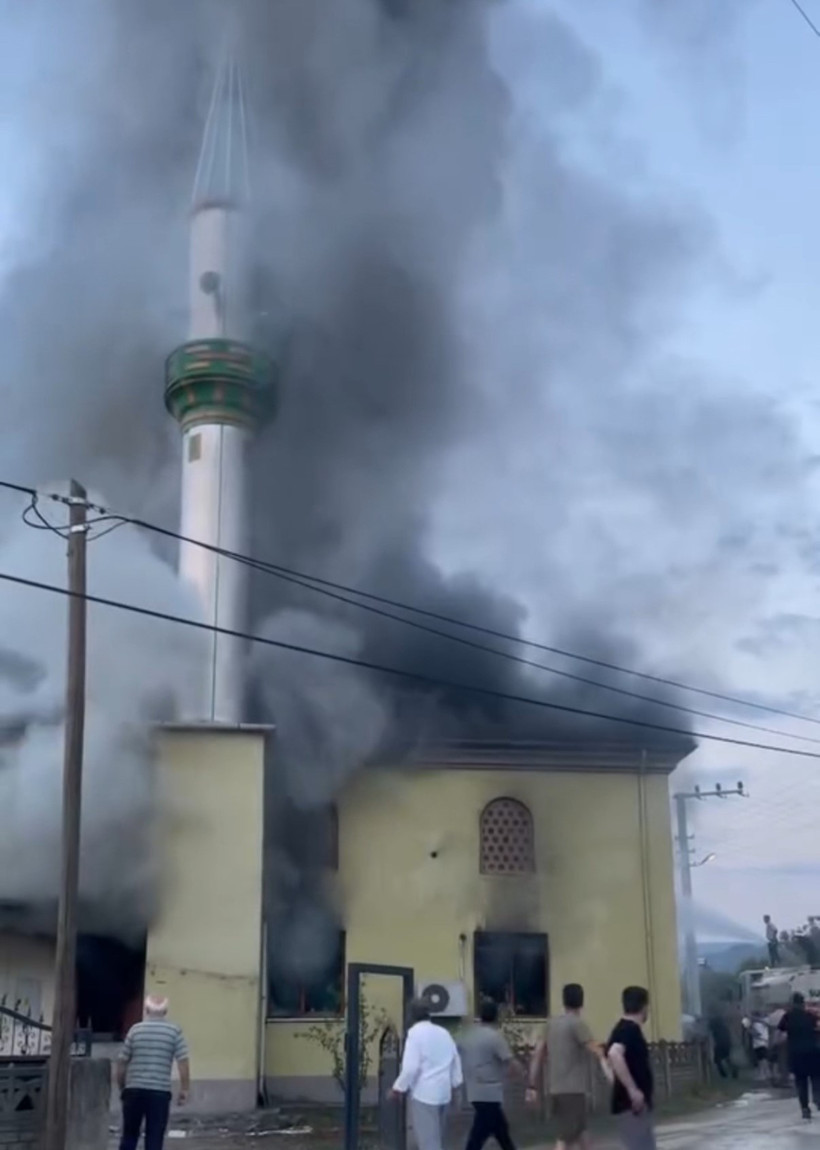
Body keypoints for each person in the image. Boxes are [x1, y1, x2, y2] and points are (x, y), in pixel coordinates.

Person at [527, 983, 609, 1150]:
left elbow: (537, 1054)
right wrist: (608, 1061)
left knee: (581, 1131)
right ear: (581, 1001)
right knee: (565, 1137)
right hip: (573, 1090)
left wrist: (532, 1084)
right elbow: (594, 1049)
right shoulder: (577, 1024)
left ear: (563, 1001)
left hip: (555, 1088)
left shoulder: (550, 1024)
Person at [117, 995, 190, 1150]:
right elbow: (183, 1061)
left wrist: (122, 1086)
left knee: (129, 1135)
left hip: (134, 1090)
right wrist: (184, 1089)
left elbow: (122, 1061)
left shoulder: (135, 1030)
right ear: (166, 1011)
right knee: (155, 1137)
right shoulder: (174, 1031)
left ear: (146, 1010)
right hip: (160, 1092)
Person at [393, 998, 463, 1150]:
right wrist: (456, 1086)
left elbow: (411, 1067)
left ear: (411, 1015)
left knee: (428, 1142)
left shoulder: (414, 1034)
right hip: (444, 1093)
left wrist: (398, 1088)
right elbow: (455, 1061)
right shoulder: (444, 1033)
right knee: (437, 1139)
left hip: (424, 1095)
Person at [458, 999, 517, 1150]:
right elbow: (509, 1061)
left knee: (500, 1128)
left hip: (473, 1088)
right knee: (481, 1132)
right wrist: (523, 1074)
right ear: (496, 1016)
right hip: (490, 1091)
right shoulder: (494, 1037)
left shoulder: (468, 1036)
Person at [606, 987, 655, 1150]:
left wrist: (616, 1083)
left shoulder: (619, 1029)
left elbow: (607, 1062)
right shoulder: (630, 1030)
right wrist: (632, 1090)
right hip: (632, 1107)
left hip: (629, 1105)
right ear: (644, 1007)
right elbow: (614, 1054)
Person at [778, 992, 820, 1121]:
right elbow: (817, 1028)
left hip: (796, 1054)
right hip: (813, 1052)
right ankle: (818, 1100)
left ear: (792, 1003)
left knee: (801, 1082)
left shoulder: (787, 1017)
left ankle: (805, 1109)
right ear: (803, 1003)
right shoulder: (810, 1016)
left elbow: (781, 1031)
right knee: (816, 1079)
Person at [707, 1013, 737, 1081]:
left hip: (720, 1044)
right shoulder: (724, 1027)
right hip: (726, 1044)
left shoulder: (715, 1028)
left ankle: (723, 1074)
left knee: (717, 1060)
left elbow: (711, 1035)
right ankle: (733, 1070)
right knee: (727, 1059)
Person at [748, 1014, 771, 1083]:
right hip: (758, 1043)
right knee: (761, 1059)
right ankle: (764, 1073)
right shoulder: (754, 1024)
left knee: (763, 1059)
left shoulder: (765, 1020)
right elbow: (752, 1032)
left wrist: (752, 1018)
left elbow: (766, 1024)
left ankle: (764, 1074)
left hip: (762, 1042)